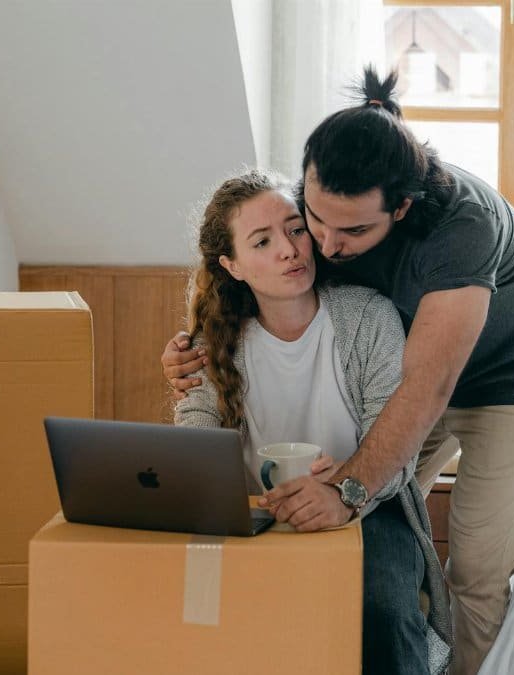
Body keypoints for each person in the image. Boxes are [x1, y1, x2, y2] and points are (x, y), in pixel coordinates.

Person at [164, 68, 514, 674]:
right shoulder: (324, 205)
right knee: (393, 509)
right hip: (407, 363)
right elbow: (247, 270)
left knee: (476, 566)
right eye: (314, 218)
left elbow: (428, 389)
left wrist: (345, 489)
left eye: (353, 231)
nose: (324, 246)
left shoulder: (462, 230)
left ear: (402, 208)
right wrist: (187, 351)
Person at [172, 169, 452, 674]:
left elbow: (398, 445)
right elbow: (196, 432)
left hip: (368, 508)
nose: (289, 249)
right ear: (232, 266)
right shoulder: (212, 343)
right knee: (205, 611)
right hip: (255, 515)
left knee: (384, 612)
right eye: (262, 241)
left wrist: (345, 491)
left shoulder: (369, 317)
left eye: (294, 228)